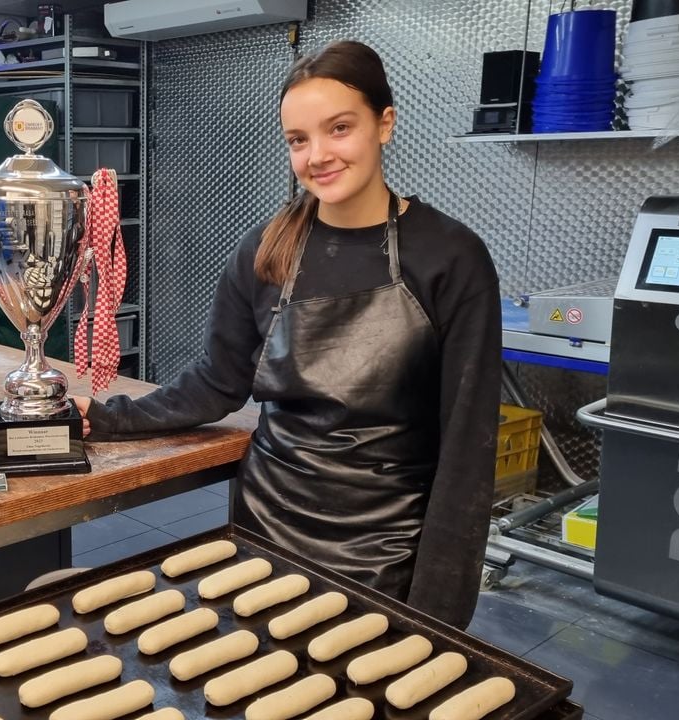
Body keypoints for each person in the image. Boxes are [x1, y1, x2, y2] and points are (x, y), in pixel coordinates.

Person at [73, 39, 501, 629]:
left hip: (385, 557)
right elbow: (217, 383)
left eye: (339, 129)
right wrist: (105, 416)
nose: (317, 155)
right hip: (263, 535)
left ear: (385, 124)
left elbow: (466, 453)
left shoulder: (451, 258)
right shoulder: (268, 248)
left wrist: (437, 618)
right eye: (298, 139)